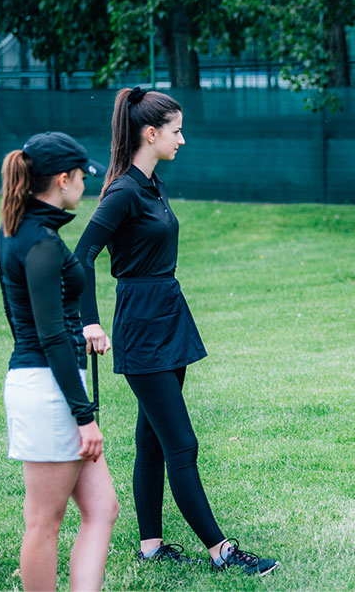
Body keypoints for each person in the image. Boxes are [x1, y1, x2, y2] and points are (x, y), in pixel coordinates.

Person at [73, 87, 279, 576]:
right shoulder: (123, 190)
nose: (182, 139)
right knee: (182, 444)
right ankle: (220, 551)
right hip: (142, 324)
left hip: (170, 314)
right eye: (176, 130)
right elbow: (81, 256)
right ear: (151, 133)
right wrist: (90, 320)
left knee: (153, 439)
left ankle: (151, 546)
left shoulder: (152, 183)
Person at [0, 132, 119, 590]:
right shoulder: (41, 242)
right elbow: (46, 336)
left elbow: (41, 315)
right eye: (81, 178)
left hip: (53, 381)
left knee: (103, 508)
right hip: (51, 390)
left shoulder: (19, 230)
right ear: (63, 179)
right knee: (44, 523)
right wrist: (84, 417)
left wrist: (80, 327)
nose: (85, 187)